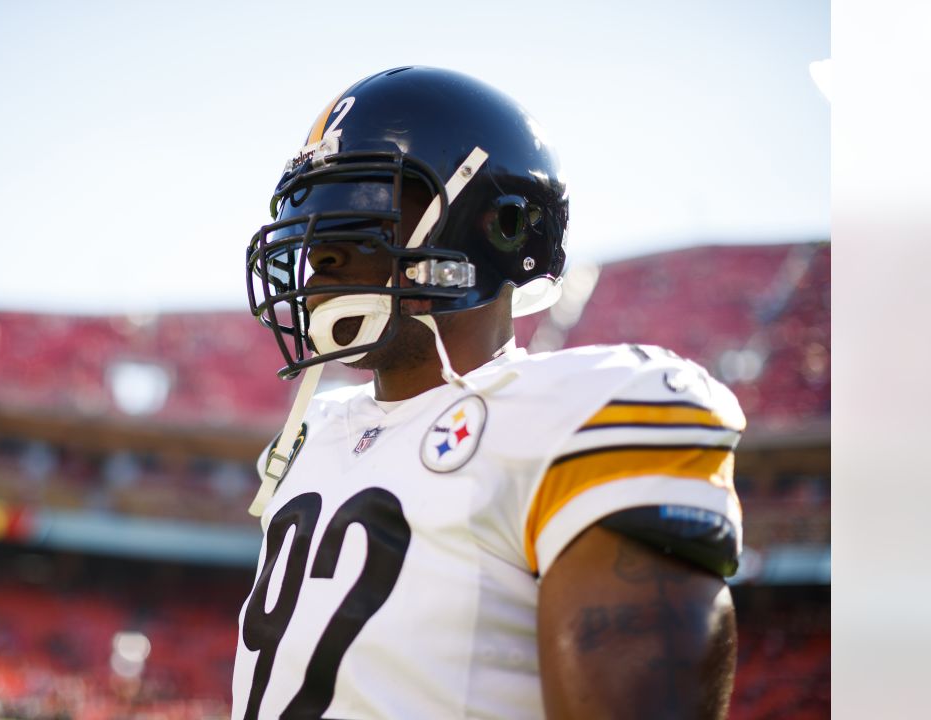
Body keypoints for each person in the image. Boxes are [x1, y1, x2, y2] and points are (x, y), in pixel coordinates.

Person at [233, 66, 744, 719]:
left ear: (496, 225)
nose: (317, 249)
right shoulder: (313, 432)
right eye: (308, 210)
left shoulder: (577, 412)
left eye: (358, 202)